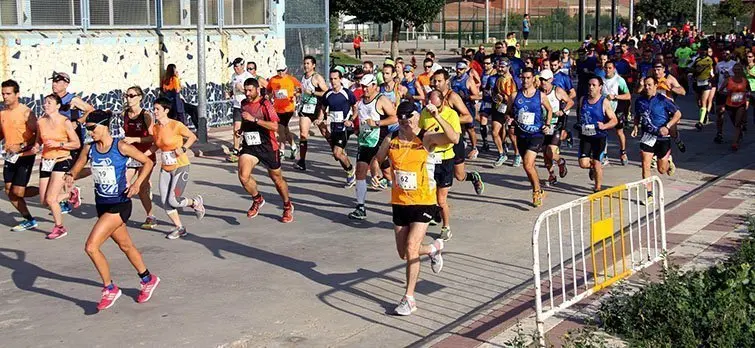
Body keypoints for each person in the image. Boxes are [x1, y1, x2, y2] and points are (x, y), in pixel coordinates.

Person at [67, 109, 160, 312]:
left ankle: (110, 288)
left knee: (91, 247)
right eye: (88, 129)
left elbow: (148, 162)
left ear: (104, 126)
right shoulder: (89, 149)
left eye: (93, 128)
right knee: (126, 246)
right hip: (103, 204)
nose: (90, 132)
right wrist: (70, 175)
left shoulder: (120, 146)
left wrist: (136, 184)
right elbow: (80, 166)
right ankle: (148, 279)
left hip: (120, 204)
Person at [373, 101, 455, 316]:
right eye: (401, 121)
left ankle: (409, 298)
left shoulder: (426, 137)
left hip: (423, 201)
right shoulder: (392, 138)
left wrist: (437, 116)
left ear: (417, 118)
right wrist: (377, 171)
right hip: (400, 201)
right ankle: (433, 249)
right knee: (403, 253)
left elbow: (453, 138)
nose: (404, 125)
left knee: (410, 247)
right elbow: (378, 159)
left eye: (408, 121)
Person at [145, 97, 205, 239]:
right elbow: (156, 146)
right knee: (165, 202)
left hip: (180, 166)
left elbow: (192, 137)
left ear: (166, 110)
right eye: (154, 109)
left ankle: (195, 202)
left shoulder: (176, 125)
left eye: (157, 109)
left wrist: (183, 148)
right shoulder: (156, 128)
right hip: (166, 167)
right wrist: (141, 156)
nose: (155, 112)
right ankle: (180, 228)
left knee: (173, 200)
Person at [237, 78, 295, 222]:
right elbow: (246, 120)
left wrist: (255, 120)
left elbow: (275, 126)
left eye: (250, 90)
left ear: (258, 90)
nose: (247, 93)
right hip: (250, 146)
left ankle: (287, 205)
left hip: (267, 146)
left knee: (277, 179)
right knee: (243, 176)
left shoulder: (265, 104)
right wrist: (241, 129)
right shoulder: (244, 103)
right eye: (245, 90)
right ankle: (257, 199)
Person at [347, 74, 398, 220]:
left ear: (374, 85)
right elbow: (360, 118)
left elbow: (394, 117)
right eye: (362, 86)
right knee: (360, 172)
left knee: (390, 176)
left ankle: (401, 202)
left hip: (380, 141)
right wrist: (353, 126)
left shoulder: (381, 100)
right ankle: (360, 206)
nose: (364, 89)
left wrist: (377, 123)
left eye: (367, 86)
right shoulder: (361, 101)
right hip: (365, 141)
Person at [36, 94, 81, 239]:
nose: (46, 105)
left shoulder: (65, 121)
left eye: (49, 103)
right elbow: (38, 141)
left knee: (51, 199)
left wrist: (59, 144)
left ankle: (59, 227)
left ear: (58, 106)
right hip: (46, 161)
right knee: (44, 201)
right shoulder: (41, 121)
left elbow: (76, 143)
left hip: (62, 159)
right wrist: (34, 147)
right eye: (45, 103)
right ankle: (71, 194)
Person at [419, 91, 461, 241]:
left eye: (434, 106)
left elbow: (454, 138)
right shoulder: (424, 113)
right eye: (429, 105)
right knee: (427, 196)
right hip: (429, 159)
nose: (430, 109)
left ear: (442, 103)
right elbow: (421, 131)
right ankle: (424, 221)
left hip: (445, 159)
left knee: (441, 198)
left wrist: (437, 116)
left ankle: (446, 227)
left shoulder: (452, 115)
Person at [632, 76, 682, 202]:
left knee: (662, 170)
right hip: (648, 135)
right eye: (645, 85)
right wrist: (635, 127)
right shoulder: (639, 101)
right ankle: (649, 195)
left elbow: (678, 114)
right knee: (645, 165)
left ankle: (668, 161)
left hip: (662, 137)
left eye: (649, 85)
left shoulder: (663, 100)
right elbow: (637, 115)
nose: (647, 88)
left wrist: (668, 126)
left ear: (655, 86)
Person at [507, 68, 552, 207]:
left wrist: (547, 124)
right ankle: (538, 188)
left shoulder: (540, 95)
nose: (525, 81)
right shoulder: (515, 96)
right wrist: (509, 119)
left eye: (528, 78)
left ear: (533, 79)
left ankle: (536, 191)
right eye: (523, 78)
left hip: (536, 134)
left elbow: (549, 110)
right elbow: (508, 112)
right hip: (521, 134)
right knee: (529, 167)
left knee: (527, 163)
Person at [51, 71, 93, 214]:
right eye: (53, 82)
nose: (54, 84)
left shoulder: (72, 99)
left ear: (66, 84)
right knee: (61, 170)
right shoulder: (53, 100)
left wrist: (78, 122)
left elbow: (90, 110)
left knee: (66, 170)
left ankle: (66, 199)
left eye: (57, 82)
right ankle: (69, 195)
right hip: (59, 140)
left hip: (74, 140)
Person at [0, 79, 39, 231]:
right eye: (3, 93)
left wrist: (22, 146)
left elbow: (37, 134)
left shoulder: (26, 112)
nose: (5, 97)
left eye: (8, 94)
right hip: (10, 156)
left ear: (17, 94)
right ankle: (28, 219)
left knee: (19, 191)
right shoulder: (2, 113)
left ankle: (51, 191)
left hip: (25, 154)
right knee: (9, 191)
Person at [121, 86, 157, 229]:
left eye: (132, 95)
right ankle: (119, 214)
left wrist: (135, 139)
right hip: (130, 155)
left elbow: (152, 138)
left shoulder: (146, 115)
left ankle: (150, 216)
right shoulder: (125, 113)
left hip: (146, 155)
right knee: (123, 183)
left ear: (140, 97)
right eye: (127, 95)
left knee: (141, 188)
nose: (128, 98)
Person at [576, 77, 618, 193]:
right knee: (583, 163)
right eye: (589, 85)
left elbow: (614, 120)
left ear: (600, 87)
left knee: (597, 162)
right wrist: (579, 125)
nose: (591, 87)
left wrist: (604, 126)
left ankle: (597, 188)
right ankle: (592, 168)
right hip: (586, 136)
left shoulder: (604, 102)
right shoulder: (583, 99)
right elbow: (580, 115)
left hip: (599, 136)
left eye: (594, 85)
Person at [320, 69, 358, 187]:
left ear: (340, 79)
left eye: (335, 79)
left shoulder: (347, 93)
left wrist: (350, 120)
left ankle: (351, 172)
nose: (333, 81)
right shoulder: (328, 94)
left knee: (337, 153)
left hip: (344, 128)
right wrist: (320, 119)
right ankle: (348, 170)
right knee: (338, 155)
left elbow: (356, 108)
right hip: (333, 127)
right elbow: (322, 108)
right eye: (331, 79)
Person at [538, 70, 573, 186]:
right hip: (542, 125)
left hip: (555, 124)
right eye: (541, 79)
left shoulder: (557, 91)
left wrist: (562, 111)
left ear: (551, 80)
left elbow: (570, 102)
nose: (543, 82)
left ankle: (560, 161)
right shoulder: (538, 92)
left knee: (551, 151)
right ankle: (551, 175)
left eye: (545, 80)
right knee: (545, 153)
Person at [294, 56, 329, 171]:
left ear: (313, 65)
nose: (306, 66)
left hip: (317, 109)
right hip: (305, 109)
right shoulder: (303, 77)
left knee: (325, 132)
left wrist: (313, 92)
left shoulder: (317, 77)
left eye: (308, 63)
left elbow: (326, 92)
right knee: (303, 134)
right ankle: (302, 161)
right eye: (304, 63)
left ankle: (337, 149)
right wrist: (299, 93)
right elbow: (304, 91)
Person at [267, 63, 301, 160]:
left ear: (286, 69)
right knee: (285, 129)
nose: (281, 72)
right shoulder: (273, 79)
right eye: (279, 71)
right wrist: (269, 96)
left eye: (282, 70)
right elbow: (268, 90)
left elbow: (300, 89)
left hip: (288, 108)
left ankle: (281, 151)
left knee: (280, 128)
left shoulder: (291, 79)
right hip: (277, 108)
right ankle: (293, 146)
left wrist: (296, 94)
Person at [601, 60, 632, 166]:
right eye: (606, 68)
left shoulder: (619, 80)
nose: (608, 70)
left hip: (617, 109)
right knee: (604, 131)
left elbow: (628, 96)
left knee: (619, 132)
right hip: (605, 109)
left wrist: (615, 97)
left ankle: (623, 152)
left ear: (614, 69)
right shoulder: (601, 80)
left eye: (610, 68)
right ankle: (604, 155)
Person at [451, 61, 482, 159]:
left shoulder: (468, 80)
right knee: (458, 127)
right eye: (457, 69)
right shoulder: (453, 80)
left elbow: (477, 96)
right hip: (457, 107)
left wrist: (467, 96)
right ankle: (462, 143)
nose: (458, 71)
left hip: (468, 107)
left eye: (461, 69)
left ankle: (474, 147)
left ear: (465, 70)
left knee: (470, 128)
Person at [716, 63, 749, 151]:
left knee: (738, 123)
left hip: (741, 104)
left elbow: (749, 90)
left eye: (739, 70)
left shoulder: (745, 80)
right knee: (734, 122)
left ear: (741, 71)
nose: (737, 71)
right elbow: (720, 91)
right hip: (730, 104)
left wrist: (747, 96)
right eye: (736, 70)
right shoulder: (728, 80)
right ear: (733, 71)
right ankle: (740, 133)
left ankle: (735, 143)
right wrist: (728, 94)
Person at [226, 57, 254, 163]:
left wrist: (242, 89)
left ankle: (251, 150)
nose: (235, 68)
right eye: (234, 66)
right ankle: (236, 151)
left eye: (237, 66)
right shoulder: (233, 76)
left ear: (242, 66)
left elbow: (252, 93)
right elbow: (233, 89)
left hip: (248, 106)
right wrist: (230, 93)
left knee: (249, 129)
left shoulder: (248, 77)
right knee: (236, 129)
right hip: (237, 106)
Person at [491, 59, 517, 167]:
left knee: (512, 134)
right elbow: (495, 93)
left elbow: (516, 96)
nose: (500, 69)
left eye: (502, 66)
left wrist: (507, 101)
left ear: (508, 67)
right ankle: (502, 154)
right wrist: (496, 97)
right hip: (499, 108)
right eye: (498, 66)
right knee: (494, 132)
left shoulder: (514, 80)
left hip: (511, 109)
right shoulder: (498, 79)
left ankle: (517, 154)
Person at [691, 45, 715, 130]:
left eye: (704, 50)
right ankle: (704, 114)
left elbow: (712, 69)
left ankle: (700, 122)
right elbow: (690, 67)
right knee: (699, 102)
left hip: (706, 82)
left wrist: (712, 75)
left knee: (704, 101)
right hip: (697, 82)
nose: (703, 52)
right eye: (701, 50)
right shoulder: (696, 59)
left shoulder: (710, 60)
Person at [478, 56, 498, 152]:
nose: (485, 65)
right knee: (483, 119)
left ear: (492, 64)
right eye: (484, 63)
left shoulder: (495, 73)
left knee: (497, 125)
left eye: (487, 63)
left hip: (495, 102)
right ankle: (485, 142)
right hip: (486, 101)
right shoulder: (483, 73)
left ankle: (503, 143)